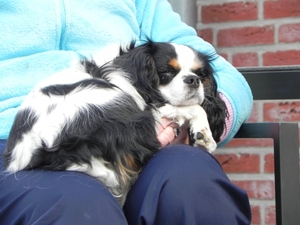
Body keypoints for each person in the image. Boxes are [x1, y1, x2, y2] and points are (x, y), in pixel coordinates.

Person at [0, 0, 253, 224]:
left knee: (191, 180)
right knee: (78, 204)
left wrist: (191, 126)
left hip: (140, 137)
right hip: (18, 150)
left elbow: (225, 77)